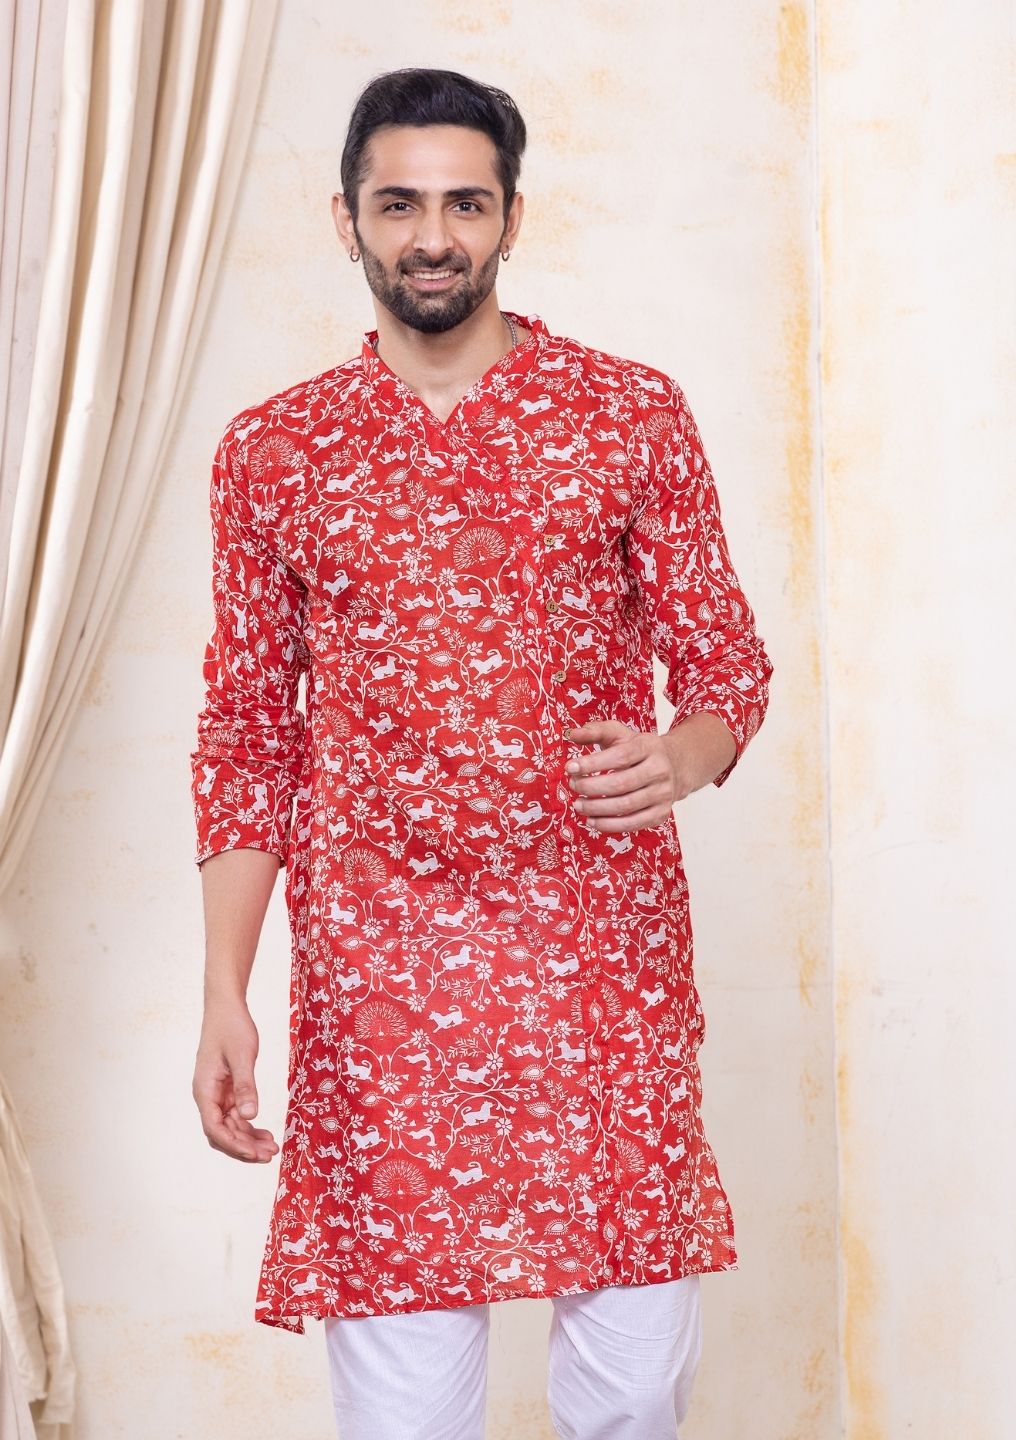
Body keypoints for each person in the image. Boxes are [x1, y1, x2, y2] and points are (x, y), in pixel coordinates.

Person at [190, 66, 773, 1440]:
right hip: (379, 976)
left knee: (635, 1395)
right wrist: (225, 988)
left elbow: (726, 666)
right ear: (347, 219)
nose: (433, 235)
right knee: (405, 1417)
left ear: (512, 216)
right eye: (400, 204)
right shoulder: (276, 451)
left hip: (600, 959)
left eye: (465, 203)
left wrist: (684, 756)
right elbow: (248, 731)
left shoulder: (629, 413)